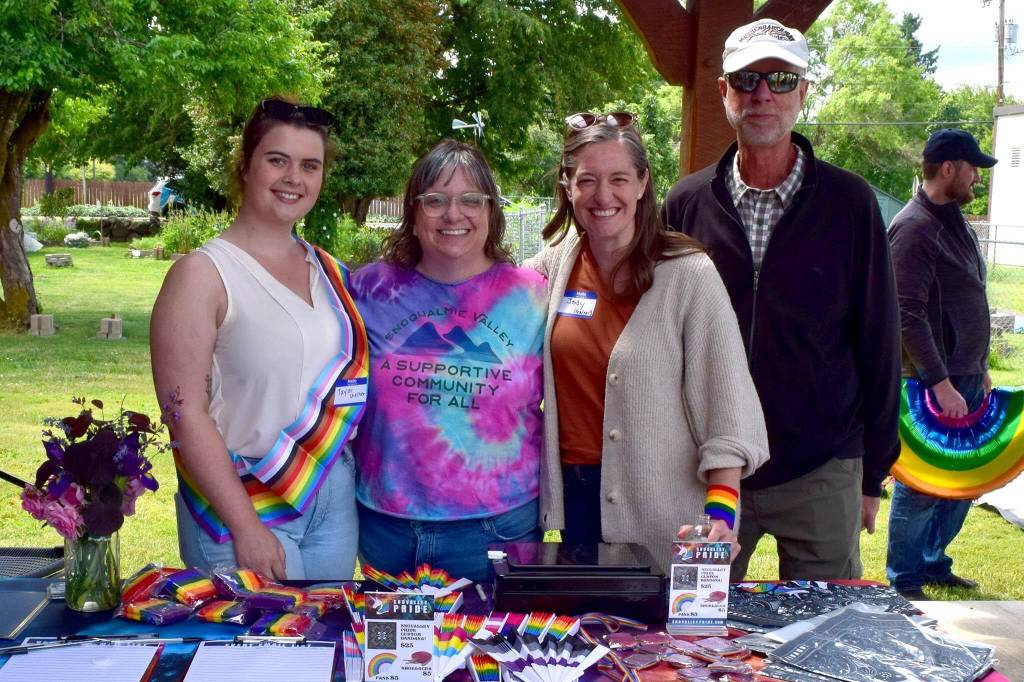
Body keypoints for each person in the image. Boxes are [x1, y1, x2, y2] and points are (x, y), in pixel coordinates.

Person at [661, 19, 902, 581]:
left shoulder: (850, 202)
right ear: (723, 93)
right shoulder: (686, 202)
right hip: (712, 469)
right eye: (746, 79)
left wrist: (871, 475)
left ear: (804, 93)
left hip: (822, 466)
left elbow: (880, 340)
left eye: (780, 78)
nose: (762, 93)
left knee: (824, 639)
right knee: (698, 634)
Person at [528, 112, 769, 559]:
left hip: (667, 516)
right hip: (577, 505)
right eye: (587, 180)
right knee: (590, 628)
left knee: (658, 631)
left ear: (642, 183)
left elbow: (727, 404)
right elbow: (485, 294)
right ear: (567, 186)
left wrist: (723, 513)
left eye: (619, 178)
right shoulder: (555, 266)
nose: (603, 195)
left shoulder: (689, 275)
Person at [151, 97, 367, 580]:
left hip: (329, 498)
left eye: (310, 165)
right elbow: (183, 416)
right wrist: (246, 526)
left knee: (326, 648)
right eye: (277, 160)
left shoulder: (329, 271)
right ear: (245, 166)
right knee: (261, 655)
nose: (294, 177)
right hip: (245, 504)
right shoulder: (201, 275)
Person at [349, 139, 546, 583]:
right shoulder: (366, 291)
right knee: (393, 655)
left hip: (497, 528)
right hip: (385, 526)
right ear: (414, 214)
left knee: (492, 652)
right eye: (435, 200)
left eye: (470, 200)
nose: (453, 215)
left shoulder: (532, 296)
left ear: (491, 212)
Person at [885, 129, 997, 601]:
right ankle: (904, 579)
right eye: (972, 168)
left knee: (962, 477)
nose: (977, 177)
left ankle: (932, 562)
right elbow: (906, 311)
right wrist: (941, 381)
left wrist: (979, 365)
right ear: (949, 168)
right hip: (932, 381)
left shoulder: (953, 221)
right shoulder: (914, 227)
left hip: (965, 373)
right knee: (922, 483)